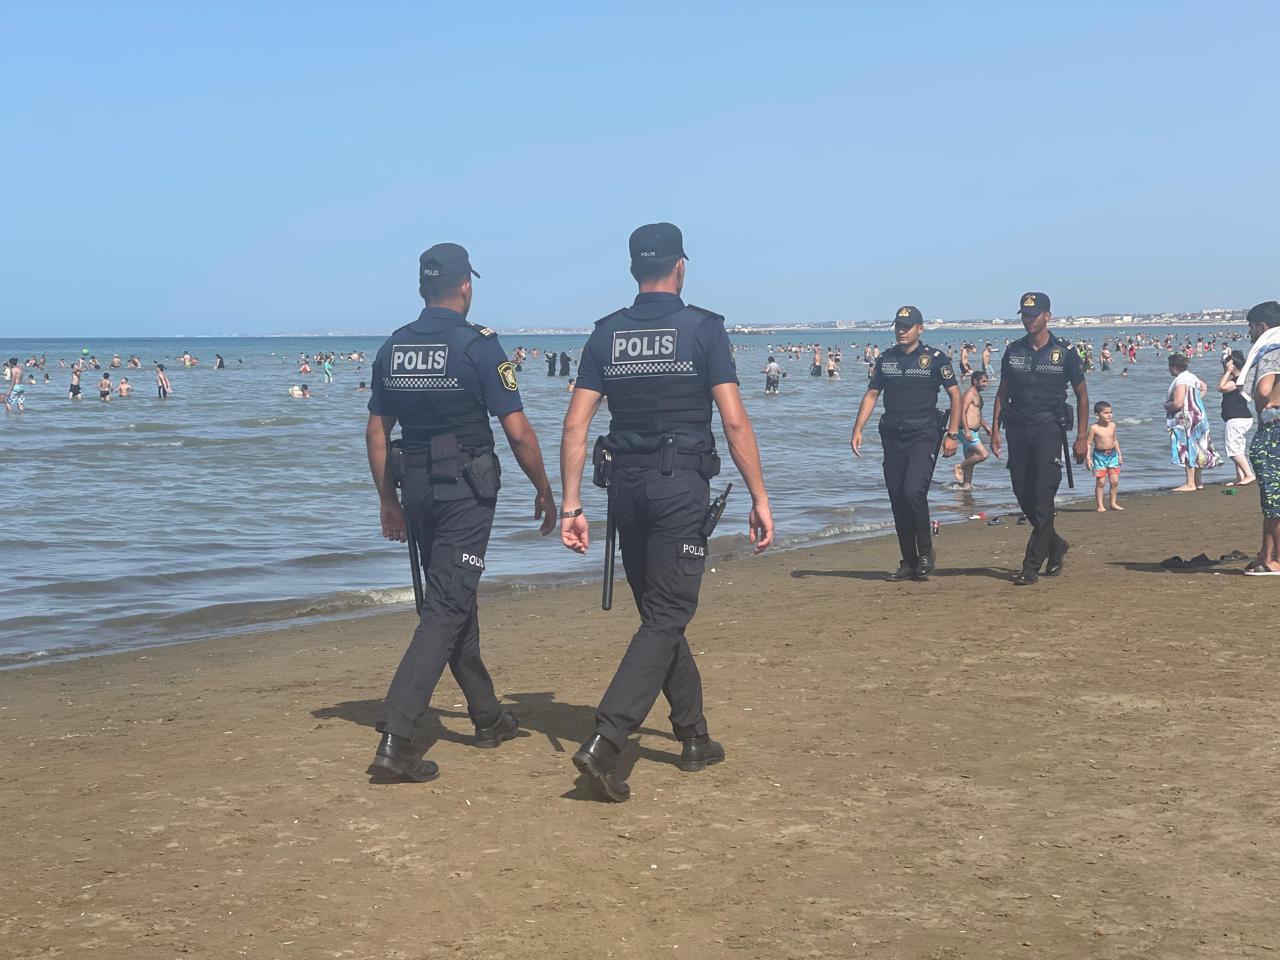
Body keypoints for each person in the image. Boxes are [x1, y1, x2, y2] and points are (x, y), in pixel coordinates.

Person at [559, 222, 773, 803]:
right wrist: (759, 496)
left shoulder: (607, 333)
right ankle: (607, 740)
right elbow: (734, 421)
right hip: (678, 485)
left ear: (634, 270)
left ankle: (693, 735)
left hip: (624, 488)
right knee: (669, 611)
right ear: (681, 267)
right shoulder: (703, 329)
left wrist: (572, 504)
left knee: (660, 612)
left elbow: (576, 425)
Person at [367, 242, 557, 783]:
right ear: (466, 286)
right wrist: (544, 489)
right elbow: (517, 431)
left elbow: (377, 433)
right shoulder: (479, 347)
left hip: (416, 488)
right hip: (465, 490)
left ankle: (488, 716)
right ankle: (397, 737)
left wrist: (388, 501)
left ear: (422, 287)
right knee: (446, 606)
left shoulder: (394, 347)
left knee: (454, 598)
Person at [851, 305, 960, 581]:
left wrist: (953, 434)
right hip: (893, 435)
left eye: (907, 326)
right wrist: (858, 429)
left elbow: (955, 395)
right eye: (898, 326)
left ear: (919, 329)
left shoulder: (935, 358)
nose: (902, 331)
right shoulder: (886, 359)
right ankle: (908, 561)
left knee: (913, 492)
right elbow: (872, 394)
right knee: (898, 498)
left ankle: (926, 553)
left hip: (924, 433)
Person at [990, 292, 1089, 585]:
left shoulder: (1065, 351)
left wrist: (1082, 437)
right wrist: (994, 430)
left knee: (1043, 496)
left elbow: (1082, 396)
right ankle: (1055, 545)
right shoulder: (1014, 351)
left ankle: (1031, 565)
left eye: (1034, 315)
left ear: (1047, 316)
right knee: (1023, 494)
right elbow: (1002, 393)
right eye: (1024, 315)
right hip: (1017, 429)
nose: (1028, 320)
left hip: (1049, 429)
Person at [1237, 301, 1280, 575]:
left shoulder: (1271, 348)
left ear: (1262, 326)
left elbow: (1264, 389)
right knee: (1272, 499)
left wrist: (1271, 403)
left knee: (1274, 498)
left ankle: (1277, 560)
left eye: (1251, 326)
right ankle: (1267, 554)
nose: (1250, 332)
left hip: (1274, 430)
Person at [1164, 353, 1219, 492]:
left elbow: (1178, 403)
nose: (1168, 369)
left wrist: (1167, 405)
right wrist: (1196, 401)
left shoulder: (1181, 380)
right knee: (1198, 446)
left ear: (1174, 367)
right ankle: (1198, 481)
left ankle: (1190, 483)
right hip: (1199, 416)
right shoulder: (1192, 377)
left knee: (1188, 447)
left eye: (1169, 366)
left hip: (1187, 418)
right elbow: (1204, 387)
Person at [1218, 350, 1256, 487]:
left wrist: (1228, 371)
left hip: (1237, 418)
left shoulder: (1237, 381)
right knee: (1238, 449)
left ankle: (1249, 475)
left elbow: (1221, 387)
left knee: (1233, 450)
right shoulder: (1239, 379)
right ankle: (1240, 477)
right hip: (1240, 418)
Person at [952, 370, 994, 490]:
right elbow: (961, 412)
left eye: (987, 381)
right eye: (983, 381)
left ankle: (966, 488)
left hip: (972, 432)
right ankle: (960, 466)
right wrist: (966, 431)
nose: (986, 384)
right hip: (967, 431)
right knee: (984, 454)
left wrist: (986, 427)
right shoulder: (970, 393)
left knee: (970, 464)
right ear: (975, 381)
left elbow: (976, 414)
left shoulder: (977, 394)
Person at [1086, 401, 1124, 511]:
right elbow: (1089, 443)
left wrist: (1120, 455)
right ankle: (1100, 505)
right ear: (1097, 415)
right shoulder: (1094, 428)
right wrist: (1088, 458)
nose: (1109, 415)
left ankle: (1113, 503)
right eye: (1105, 413)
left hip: (1112, 455)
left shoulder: (1112, 425)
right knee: (1101, 482)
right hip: (1099, 456)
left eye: (1110, 412)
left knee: (1114, 481)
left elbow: (1115, 440)